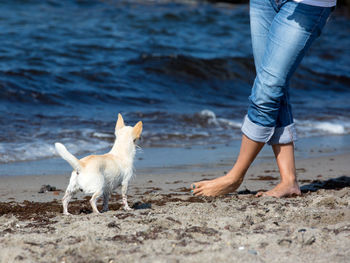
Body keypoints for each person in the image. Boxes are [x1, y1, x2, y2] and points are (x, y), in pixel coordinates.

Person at [191, 0, 336, 197]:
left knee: (267, 88)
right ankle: (289, 181)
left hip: (308, 4)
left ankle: (234, 177)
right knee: (276, 87)